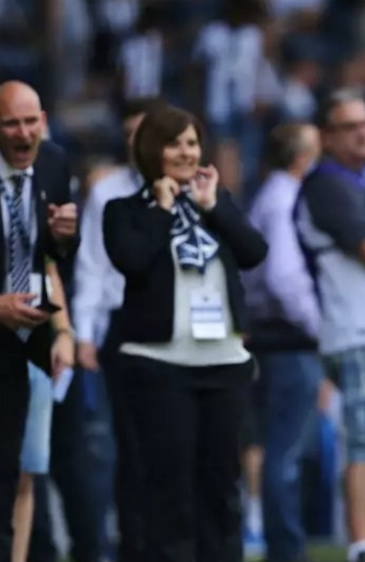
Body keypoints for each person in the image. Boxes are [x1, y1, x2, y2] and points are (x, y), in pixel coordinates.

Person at [102, 104, 268, 562]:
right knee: (168, 490)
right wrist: (162, 208)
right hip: (159, 366)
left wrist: (213, 207)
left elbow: (254, 252)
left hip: (224, 365)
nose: (185, 151)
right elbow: (131, 260)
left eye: (192, 142)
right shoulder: (124, 210)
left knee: (221, 490)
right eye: (174, 142)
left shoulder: (217, 202)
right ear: (151, 149)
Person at [72, 96, 162, 562]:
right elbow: (91, 267)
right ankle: (132, 548)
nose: (134, 143)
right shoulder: (108, 192)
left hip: (174, 332)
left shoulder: (189, 187)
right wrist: (84, 334)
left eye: (141, 133)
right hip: (121, 330)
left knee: (173, 446)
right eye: (127, 135)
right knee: (126, 447)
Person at [295, 88, 365, 562]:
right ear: (327, 138)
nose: (363, 132)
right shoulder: (328, 182)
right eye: (350, 126)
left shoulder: (357, 178)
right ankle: (362, 545)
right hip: (355, 331)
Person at [0, 80, 78, 562]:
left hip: (26, 339)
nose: (23, 132)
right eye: (11, 122)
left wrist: (63, 237)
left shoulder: (53, 162)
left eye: (31, 121)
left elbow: (49, 260)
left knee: (19, 469)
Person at [243, 121, 323, 562]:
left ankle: (282, 547)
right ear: (300, 157)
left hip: (271, 341)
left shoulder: (269, 194)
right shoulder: (285, 198)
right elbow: (283, 277)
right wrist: (320, 328)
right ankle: (287, 551)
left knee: (277, 451)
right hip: (288, 342)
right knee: (285, 456)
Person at [13, 261, 74, 562]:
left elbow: (45, 263)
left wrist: (63, 330)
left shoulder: (32, 212)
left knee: (25, 476)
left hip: (32, 345)